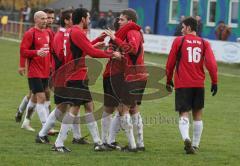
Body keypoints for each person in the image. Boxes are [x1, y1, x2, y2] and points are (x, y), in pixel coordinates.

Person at [52, 8, 121, 153]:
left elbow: (85, 48)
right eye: (88, 18)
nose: (89, 20)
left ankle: (97, 142)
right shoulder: (77, 32)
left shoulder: (74, 32)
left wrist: (98, 39)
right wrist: (110, 54)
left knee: (89, 106)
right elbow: (91, 52)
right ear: (83, 19)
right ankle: (59, 143)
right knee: (74, 109)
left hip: (78, 75)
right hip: (75, 76)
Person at [165, 17, 218, 154]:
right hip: (199, 84)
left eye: (183, 27)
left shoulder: (179, 41)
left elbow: (170, 62)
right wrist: (214, 81)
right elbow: (211, 64)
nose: (181, 30)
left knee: (184, 113)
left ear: (188, 28)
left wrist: (168, 79)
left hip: (183, 83)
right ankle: (195, 145)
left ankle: (186, 138)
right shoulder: (204, 43)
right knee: (198, 114)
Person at [104, 8, 147, 152]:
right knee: (133, 109)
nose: (119, 21)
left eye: (122, 19)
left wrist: (116, 39)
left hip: (134, 76)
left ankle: (132, 145)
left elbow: (133, 50)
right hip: (137, 75)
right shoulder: (134, 32)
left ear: (130, 21)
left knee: (123, 109)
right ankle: (139, 144)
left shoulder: (131, 32)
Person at [20, 11, 51, 131]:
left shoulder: (48, 32)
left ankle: (26, 121)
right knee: (41, 98)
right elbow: (23, 51)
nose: (45, 20)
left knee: (34, 98)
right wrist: (36, 52)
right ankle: (46, 127)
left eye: (46, 18)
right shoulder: (30, 33)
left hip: (45, 71)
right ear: (36, 20)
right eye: (42, 18)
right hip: (34, 71)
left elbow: (50, 51)